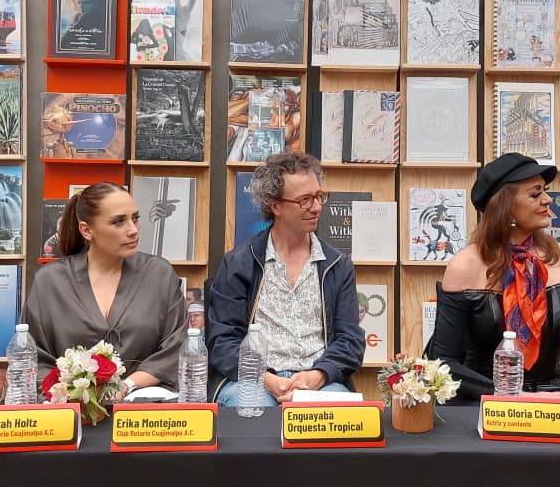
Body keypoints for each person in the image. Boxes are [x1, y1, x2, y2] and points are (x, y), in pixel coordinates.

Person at [425, 153, 560, 406]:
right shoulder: (464, 266)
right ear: (505, 207)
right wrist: (515, 396)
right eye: (535, 194)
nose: (547, 199)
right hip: (483, 403)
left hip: (555, 399)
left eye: (545, 191)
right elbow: (444, 362)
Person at [206, 152, 365, 405]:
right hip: (254, 380)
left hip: (319, 381)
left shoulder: (338, 265)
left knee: (341, 413)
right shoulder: (238, 263)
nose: (316, 207)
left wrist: (317, 376)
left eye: (319, 196)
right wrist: (266, 379)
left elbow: (350, 341)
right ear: (275, 206)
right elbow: (222, 342)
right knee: (254, 409)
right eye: (304, 200)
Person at [24, 182, 186, 399]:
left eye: (135, 218)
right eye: (118, 222)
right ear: (86, 230)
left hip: (146, 405)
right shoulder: (49, 281)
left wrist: (126, 385)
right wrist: (77, 394)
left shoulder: (159, 273)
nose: (133, 230)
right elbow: (33, 358)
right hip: (70, 405)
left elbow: (176, 348)